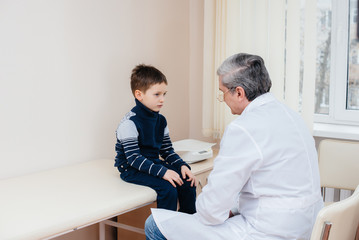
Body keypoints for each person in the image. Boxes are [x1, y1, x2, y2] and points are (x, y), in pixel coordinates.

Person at [145, 53, 324, 240]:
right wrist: (232, 208)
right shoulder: (291, 116)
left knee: (155, 225)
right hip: (306, 226)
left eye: (222, 92)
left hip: (268, 231)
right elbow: (271, 183)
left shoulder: (243, 128)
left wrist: (217, 210)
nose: (222, 99)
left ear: (239, 92)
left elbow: (210, 212)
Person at [114, 64, 196, 214]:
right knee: (168, 188)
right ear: (139, 95)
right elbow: (134, 159)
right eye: (157, 94)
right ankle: (164, 231)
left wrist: (182, 166)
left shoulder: (161, 121)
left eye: (164, 94)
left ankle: (187, 225)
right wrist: (163, 172)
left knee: (188, 182)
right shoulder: (129, 123)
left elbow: (167, 151)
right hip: (131, 169)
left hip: (152, 164)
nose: (162, 99)